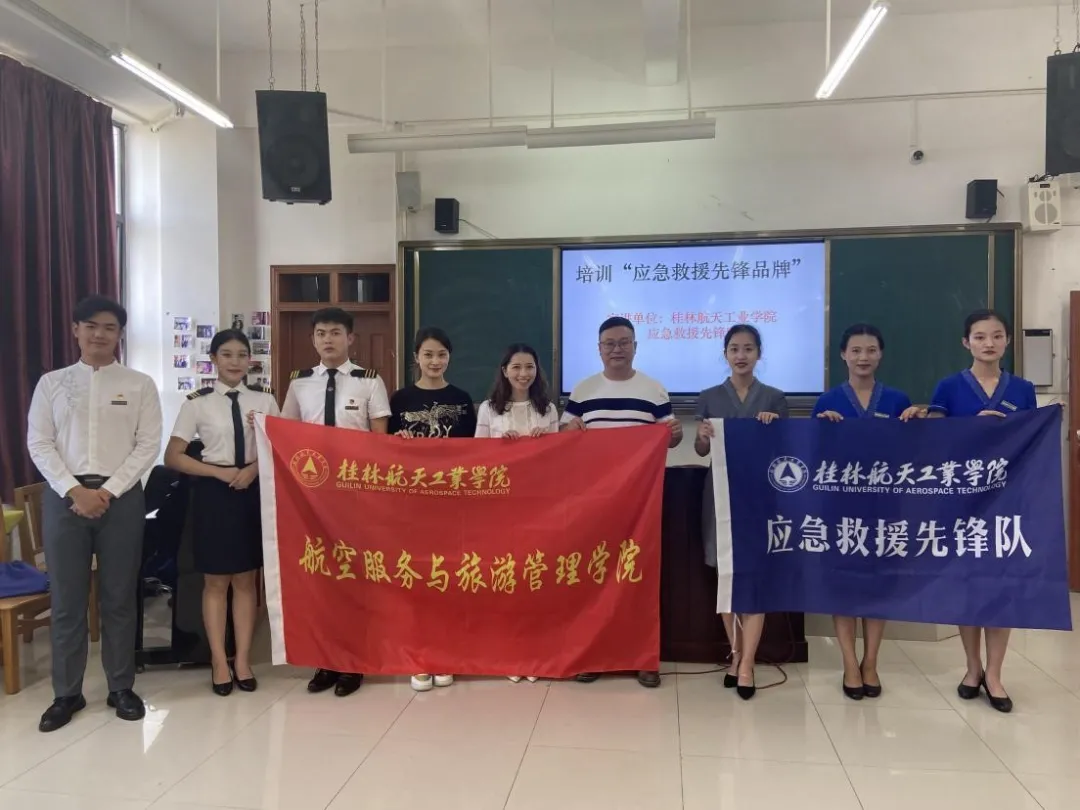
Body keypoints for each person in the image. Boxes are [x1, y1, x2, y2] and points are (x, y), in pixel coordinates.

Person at [26, 295, 163, 732]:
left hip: (120, 499)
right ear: (75, 330)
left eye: (109, 327)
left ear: (120, 334)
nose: (99, 334)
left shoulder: (139, 384)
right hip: (64, 498)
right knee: (67, 600)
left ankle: (121, 687)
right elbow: (39, 443)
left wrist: (106, 491)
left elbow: (148, 444)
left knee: (119, 597)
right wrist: (74, 490)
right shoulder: (52, 383)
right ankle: (66, 693)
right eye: (90, 326)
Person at [904, 309, 1036, 714]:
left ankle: (994, 674)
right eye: (979, 337)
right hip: (961, 502)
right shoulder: (948, 387)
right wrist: (971, 426)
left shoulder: (1023, 389)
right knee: (966, 585)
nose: (988, 343)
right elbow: (938, 442)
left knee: (1000, 588)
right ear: (966, 343)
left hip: (1006, 502)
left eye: (996, 335)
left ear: (1007, 340)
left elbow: (1032, 443)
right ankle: (972, 667)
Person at [562, 316, 682, 688]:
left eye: (624, 342)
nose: (617, 349)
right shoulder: (583, 390)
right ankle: (594, 654)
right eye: (610, 343)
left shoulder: (654, 389)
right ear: (599, 349)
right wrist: (569, 429)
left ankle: (642, 658)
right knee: (594, 578)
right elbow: (565, 433)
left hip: (641, 505)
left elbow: (670, 439)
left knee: (638, 579)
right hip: (595, 502)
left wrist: (674, 433)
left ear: (635, 346)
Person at [281, 307, 391, 698]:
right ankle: (325, 660)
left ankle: (353, 661)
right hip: (312, 497)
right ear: (313, 339)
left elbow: (380, 442)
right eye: (321, 333)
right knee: (321, 578)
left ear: (350, 338)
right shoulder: (299, 383)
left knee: (354, 576)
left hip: (355, 495)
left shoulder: (370, 381)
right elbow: (285, 434)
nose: (328, 339)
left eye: (336, 333)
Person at [164, 329, 279, 696]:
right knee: (215, 582)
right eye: (227, 354)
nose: (235, 361)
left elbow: (279, 448)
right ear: (214, 359)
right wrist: (218, 472)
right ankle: (217, 660)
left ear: (250, 361)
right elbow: (173, 457)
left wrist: (253, 470)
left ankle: (242, 659)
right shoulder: (197, 404)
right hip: (213, 494)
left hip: (252, 492)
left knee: (246, 580)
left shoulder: (264, 400)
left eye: (242, 355)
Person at [812, 323, 915, 701]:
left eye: (871, 350)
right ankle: (849, 664)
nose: (863, 357)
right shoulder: (827, 402)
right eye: (856, 350)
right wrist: (822, 431)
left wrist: (917, 424)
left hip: (885, 508)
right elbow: (813, 458)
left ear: (880, 354)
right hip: (841, 509)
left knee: (878, 585)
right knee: (844, 586)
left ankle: (871, 662)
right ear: (843, 355)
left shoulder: (898, 400)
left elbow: (913, 454)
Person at [694, 324, 787, 700]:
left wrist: (774, 429)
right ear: (725, 354)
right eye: (734, 349)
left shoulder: (775, 398)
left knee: (754, 578)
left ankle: (747, 663)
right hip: (719, 496)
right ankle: (734, 654)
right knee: (726, 576)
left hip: (760, 497)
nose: (741, 355)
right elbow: (701, 451)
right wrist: (702, 437)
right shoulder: (709, 397)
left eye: (748, 348)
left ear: (758, 353)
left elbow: (785, 453)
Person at [389, 327, 477, 692]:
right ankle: (419, 657)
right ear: (416, 358)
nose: (435, 361)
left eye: (441, 354)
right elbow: (384, 450)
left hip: (452, 503)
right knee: (416, 578)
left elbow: (475, 453)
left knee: (450, 578)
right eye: (428, 354)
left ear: (449, 358)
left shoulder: (462, 399)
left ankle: (446, 654)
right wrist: (398, 440)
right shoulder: (399, 399)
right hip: (412, 503)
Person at [475, 343, 560, 682]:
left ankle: (534, 653)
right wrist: (500, 446)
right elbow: (476, 457)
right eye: (516, 367)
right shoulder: (488, 409)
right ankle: (510, 654)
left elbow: (560, 459)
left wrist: (546, 441)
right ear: (504, 370)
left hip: (539, 506)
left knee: (534, 579)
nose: (523, 374)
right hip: (501, 507)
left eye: (529, 367)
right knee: (506, 578)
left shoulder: (548, 409)